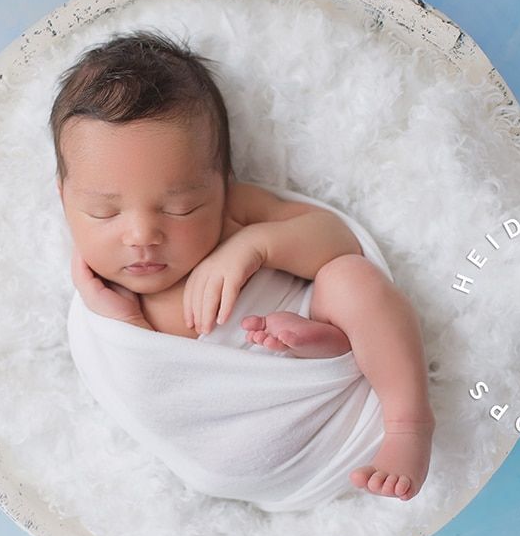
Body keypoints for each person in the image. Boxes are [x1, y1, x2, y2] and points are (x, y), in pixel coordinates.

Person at [50, 28, 435, 501]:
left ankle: (407, 422)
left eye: (181, 207)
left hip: (336, 369)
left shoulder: (239, 212)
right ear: (64, 198)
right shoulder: (101, 306)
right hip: (245, 444)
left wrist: (256, 245)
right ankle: (321, 349)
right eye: (104, 212)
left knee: (351, 280)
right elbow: (152, 390)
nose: (142, 236)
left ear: (221, 184)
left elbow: (337, 242)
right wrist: (126, 322)